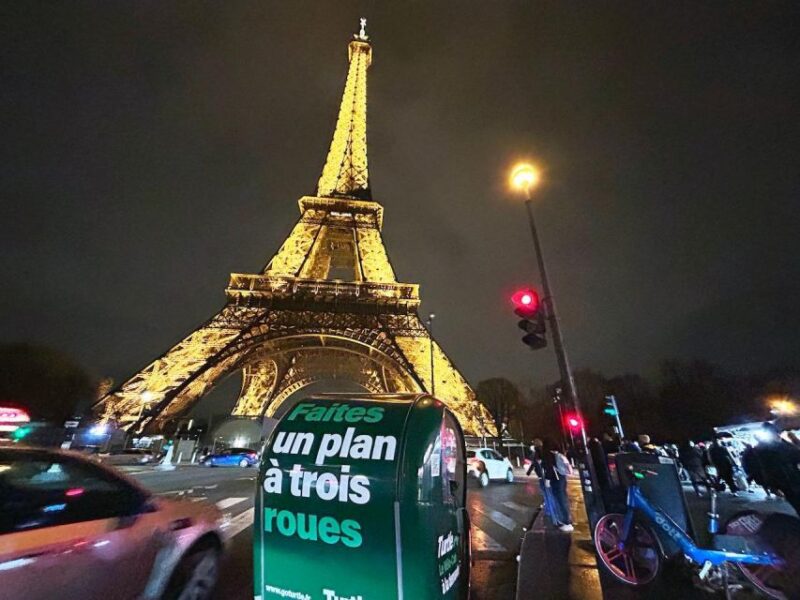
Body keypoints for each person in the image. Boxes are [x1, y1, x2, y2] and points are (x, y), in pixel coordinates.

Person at [541, 438, 574, 532]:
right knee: (563, 499)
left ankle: (566, 522)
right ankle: (567, 520)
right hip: (562, 478)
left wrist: (547, 480)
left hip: (556, 480)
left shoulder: (549, 455)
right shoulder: (557, 454)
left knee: (560, 500)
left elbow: (549, 468)